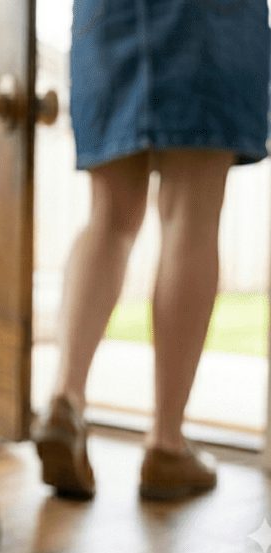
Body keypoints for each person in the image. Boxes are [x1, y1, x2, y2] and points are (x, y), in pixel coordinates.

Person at [32, 0, 270, 501]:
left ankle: (64, 400)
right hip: (208, 17)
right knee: (191, 218)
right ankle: (166, 443)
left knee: (109, 217)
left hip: (109, 13)